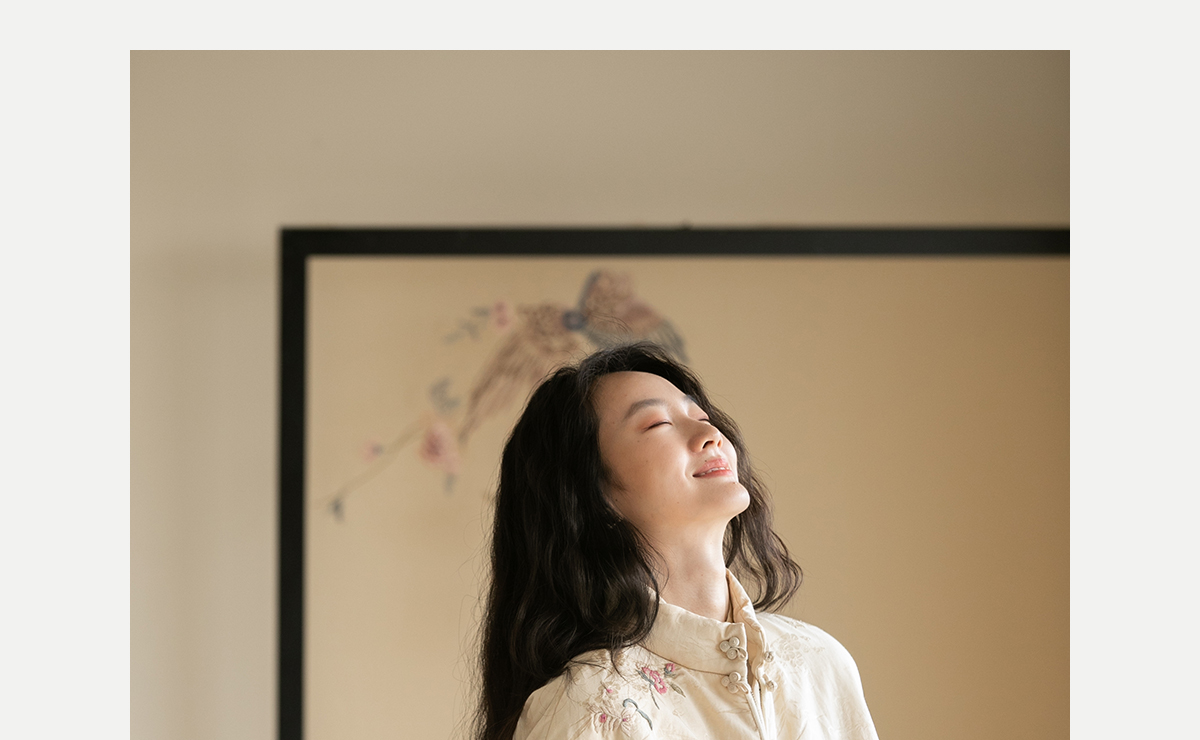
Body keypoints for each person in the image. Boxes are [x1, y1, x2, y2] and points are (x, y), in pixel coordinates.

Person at [474, 342, 878, 740]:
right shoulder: (588, 711)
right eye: (657, 424)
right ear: (591, 494)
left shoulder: (820, 662)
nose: (710, 434)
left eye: (702, 416)